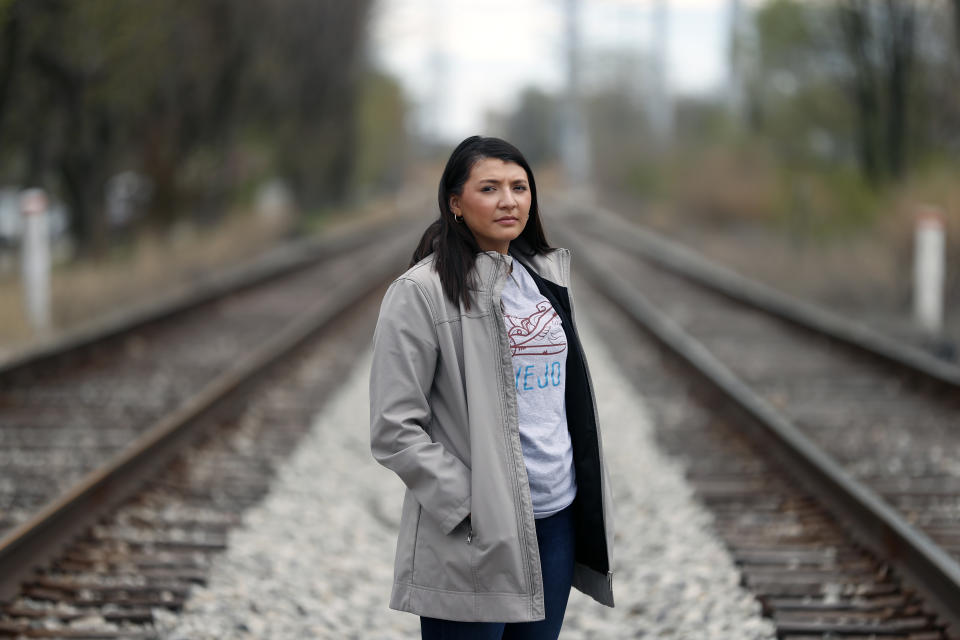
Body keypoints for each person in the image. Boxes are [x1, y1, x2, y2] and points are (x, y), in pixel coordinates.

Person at [369, 136, 614, 640]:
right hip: (476, 531)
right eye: (490, 188)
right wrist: (470, 504)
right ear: (456, 203)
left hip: (556, 519)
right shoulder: (420, 294)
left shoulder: (542, 281)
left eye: (520, 187)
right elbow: (394, 429)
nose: (509, 200)